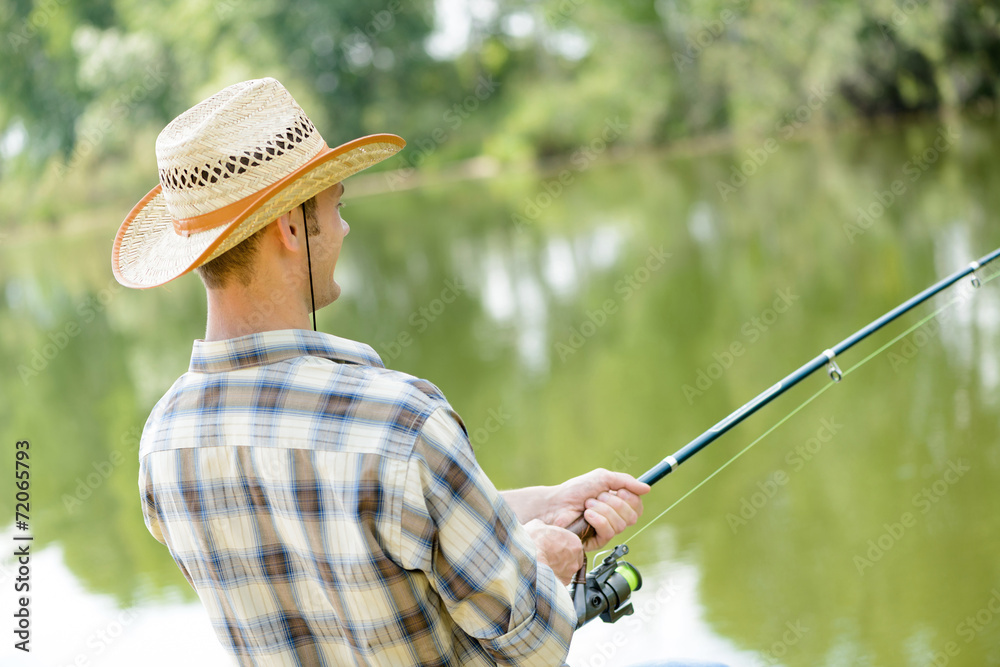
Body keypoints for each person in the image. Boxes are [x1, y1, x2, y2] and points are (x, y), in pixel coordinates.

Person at [112, 78, 649, 666]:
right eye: (335, 206)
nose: (343, 229)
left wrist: (538, 504)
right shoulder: (403, 422)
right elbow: (535, 643)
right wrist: (547, 560)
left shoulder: (163, 443)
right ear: (289, 229)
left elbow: (341, 525)